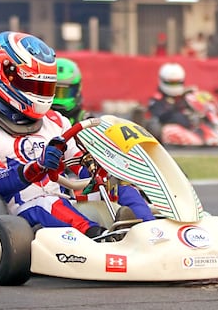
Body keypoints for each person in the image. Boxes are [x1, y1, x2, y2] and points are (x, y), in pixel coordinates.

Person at [0, 31, 115, 239]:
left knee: (120, 188)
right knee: (45, 203)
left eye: (45, 87)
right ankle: (99, 237)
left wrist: (105, 176)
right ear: (5, 76)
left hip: (61, 205)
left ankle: (148, 232)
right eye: (32, 86)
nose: (40, 93)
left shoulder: (56, 122)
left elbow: (81, 165)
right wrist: (37, 166)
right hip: (14, 217)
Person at [52, 57, 155, 222]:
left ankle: (149, 224)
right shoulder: (40, 125)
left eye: (63, 93)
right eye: (54, 92)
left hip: (87, 172)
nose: (58, 99)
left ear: (76, 91)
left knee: (122, 182)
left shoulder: (91, 122)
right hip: (57, 182)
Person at [148, 62, 196, 130]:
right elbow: (160, 117)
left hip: (190, 131)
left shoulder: (185, 97)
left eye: (176, 83)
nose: (174, 86)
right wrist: (176, 110)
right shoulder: (156, 100)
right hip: (169, 132)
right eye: (171, 83)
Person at [52, 57, 87, 124]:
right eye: (54, 91)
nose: (60, 98)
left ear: (77, 90)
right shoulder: (36, 121)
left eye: (65, 92)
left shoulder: (85, 121)